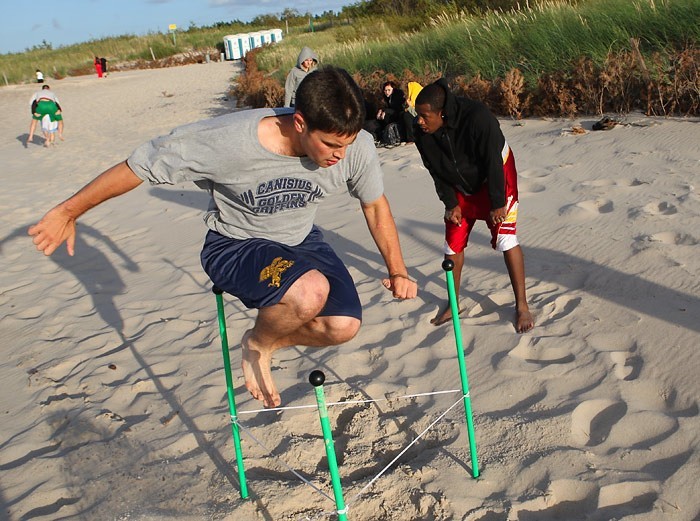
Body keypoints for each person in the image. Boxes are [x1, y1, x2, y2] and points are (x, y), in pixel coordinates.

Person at [28, 66, 418, 409]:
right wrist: (68, 210)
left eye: (346, 145)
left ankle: (263, 340)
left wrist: (397, 271)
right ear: (300, 122)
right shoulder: (225, 140)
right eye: (331, 145)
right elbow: (138, 166)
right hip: (235, 244)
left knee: (343, 326)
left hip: (300, 239)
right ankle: (260, 345)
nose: (339, 155)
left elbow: (375, 205)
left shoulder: (355, 147)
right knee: (309, 292)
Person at [413, 78, 534, 333]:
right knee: (452, 242)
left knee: (506, 239)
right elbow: (435, 170)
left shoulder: (478, 117)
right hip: (458, 184)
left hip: (496, 176)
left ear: (442, 113)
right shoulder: (421, 133)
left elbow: (492, 160)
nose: (419, 121)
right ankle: (453, 303)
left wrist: (498, 202)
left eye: (424, 116)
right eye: (417, 115)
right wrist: (450, 203)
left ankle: (522, 305)